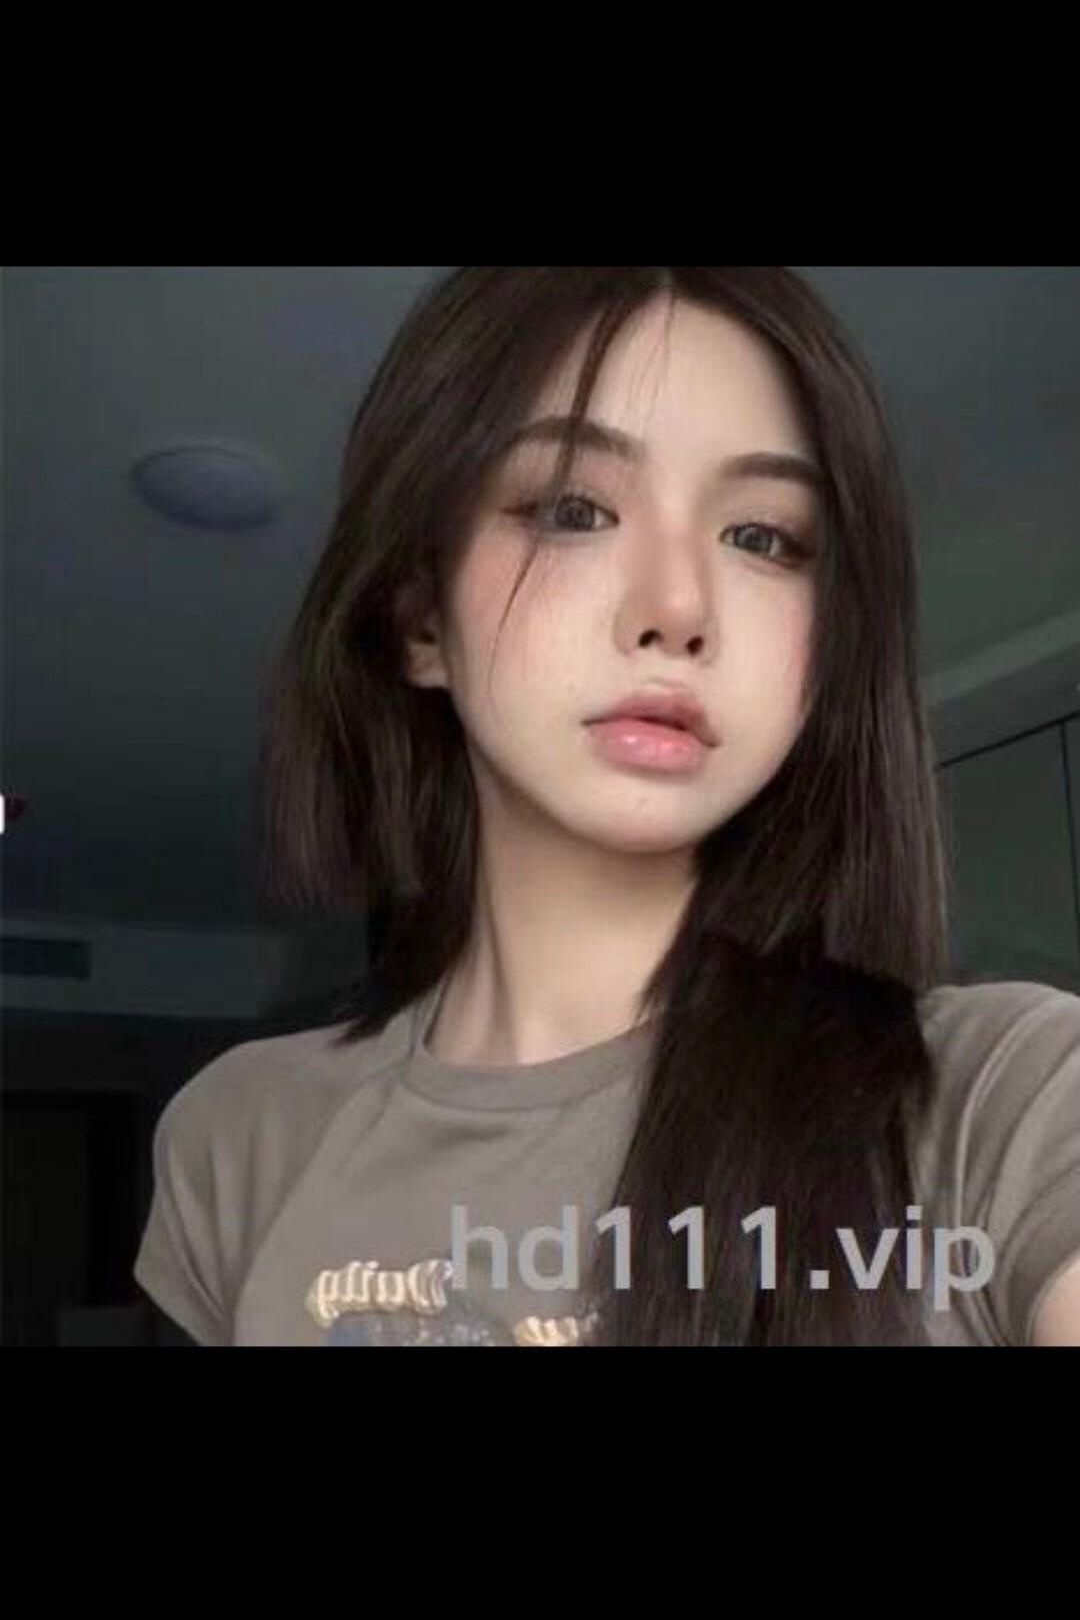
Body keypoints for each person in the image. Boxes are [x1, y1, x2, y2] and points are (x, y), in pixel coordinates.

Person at [134, 267, 1080, 1346]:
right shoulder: (239, 1138)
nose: (677, 608)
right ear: (422, 620)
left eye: (764, 536)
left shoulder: (1007, 1101)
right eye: (572, 510)